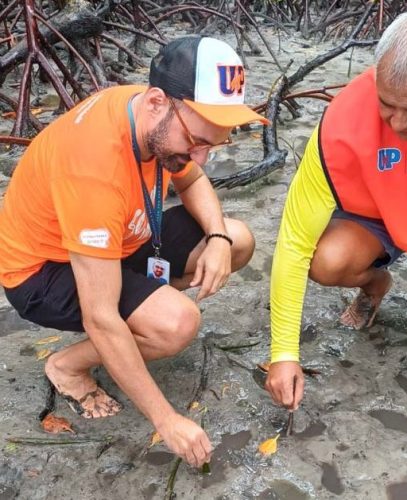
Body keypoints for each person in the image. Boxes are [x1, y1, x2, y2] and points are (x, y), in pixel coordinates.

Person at [0, 35, 268, 467]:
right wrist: (166, 420)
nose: (201, 155)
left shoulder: (148, 113)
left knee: (237, 239)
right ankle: (68, 366)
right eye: (196, 139)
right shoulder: (93, 168)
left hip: (122, 236)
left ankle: (143, 312)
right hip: (43, 270)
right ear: (158, 102)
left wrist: (217, 239)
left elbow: (194, 180)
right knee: (177, 324)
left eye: (213, 144)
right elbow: (100, 317)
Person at [265, 10, 407, 412]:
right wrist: (284, 352)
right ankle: (375, 286)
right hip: (385, 213)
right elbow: (294, 240)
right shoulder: (343, 120)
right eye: (387, 104)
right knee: (327, 261)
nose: (398, 121)